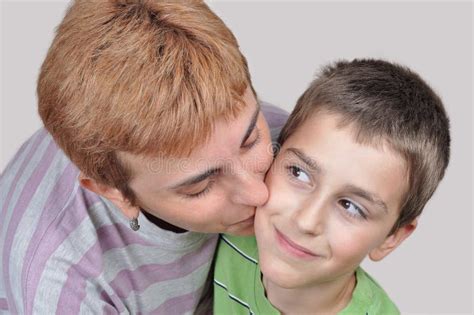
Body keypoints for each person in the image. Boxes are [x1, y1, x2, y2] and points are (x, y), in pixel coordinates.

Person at [0, 0, 288, 313]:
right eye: (199, 187)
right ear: (117, 193)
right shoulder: (62, 288)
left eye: (249, 140)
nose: (259, 193)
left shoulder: (250, 127)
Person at [214, 59, 450, 314]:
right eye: (299, 173)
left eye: (351, 207)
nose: (305, 221)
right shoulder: (230, 228)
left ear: (392, 238)